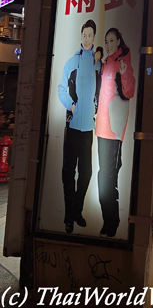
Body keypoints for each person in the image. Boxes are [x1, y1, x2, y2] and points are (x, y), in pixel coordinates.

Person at [58, 19, 101, 234]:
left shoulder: (97, 64)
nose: (86, 38)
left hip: (88, 129)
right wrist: (70, 105)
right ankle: (69, 216)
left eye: (90, 35)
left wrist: (98, 109)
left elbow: (102, 90)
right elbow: (60, 89)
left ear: (94, 37)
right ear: (81, 36)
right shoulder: (71, 62)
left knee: (86, 173)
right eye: (84, 35)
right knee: (68, 173)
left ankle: (77, 210)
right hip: (72, 126)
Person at [95, 28, 136, 237]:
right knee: (104, 175)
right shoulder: (106, 62)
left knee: (107, 177)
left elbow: (129, 92)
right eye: (106, 40)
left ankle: (111, 222)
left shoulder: (122, 61)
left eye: (112, 40)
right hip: (101, 129)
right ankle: (110, 220)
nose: (109, 44)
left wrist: (125, 72)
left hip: (113, 130)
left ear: (119, 41)